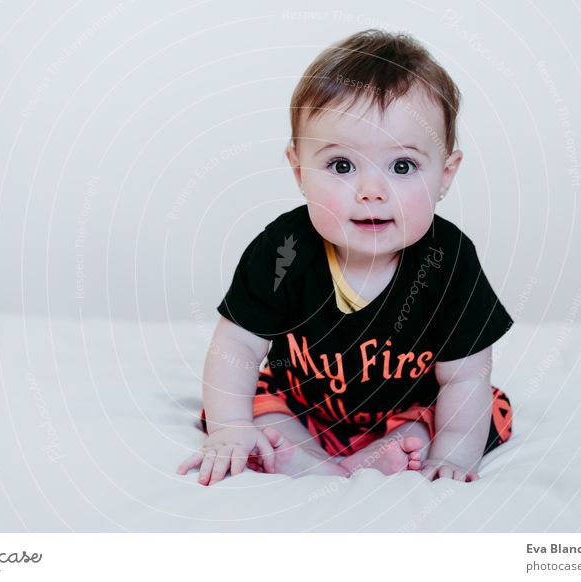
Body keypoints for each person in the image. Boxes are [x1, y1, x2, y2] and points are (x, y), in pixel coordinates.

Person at [177, 29, 514, 486]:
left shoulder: (449, 260)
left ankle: (403, 442)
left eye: (402, 166)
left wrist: (453, 453)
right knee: (235, 400)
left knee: (485, 406)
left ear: (445, 175)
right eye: (341, 165)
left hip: (406, 408)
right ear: (299, 171)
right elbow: (237, 346)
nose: (370, 192)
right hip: (302, 406)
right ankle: (306, 453)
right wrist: (230, 428)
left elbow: (464, 376)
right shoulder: (285, 248)